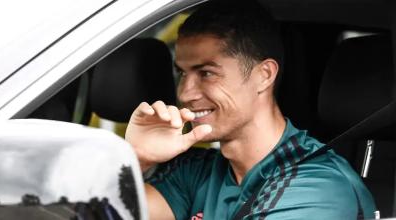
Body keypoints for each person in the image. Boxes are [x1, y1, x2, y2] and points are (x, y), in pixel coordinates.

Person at [125, 1, 376, 219]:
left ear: (264, 76)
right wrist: (136, 158)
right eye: (182, 73)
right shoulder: (197, 171)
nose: (185, 93)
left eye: (207, 73)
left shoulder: (320, 188)